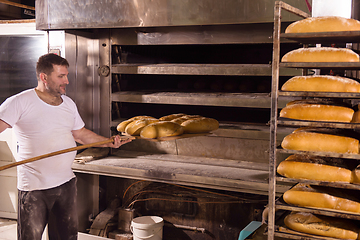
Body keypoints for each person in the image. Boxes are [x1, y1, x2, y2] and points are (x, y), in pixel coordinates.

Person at [0, 53, 132, 240]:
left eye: (66, 75)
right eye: (61, 76)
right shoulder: (20, 102)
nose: (67, 81)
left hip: (65, 185)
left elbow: (80, 134)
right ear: (44, 77)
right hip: (34, 189)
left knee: (66, 238)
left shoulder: (68, 104)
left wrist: (108, 142)